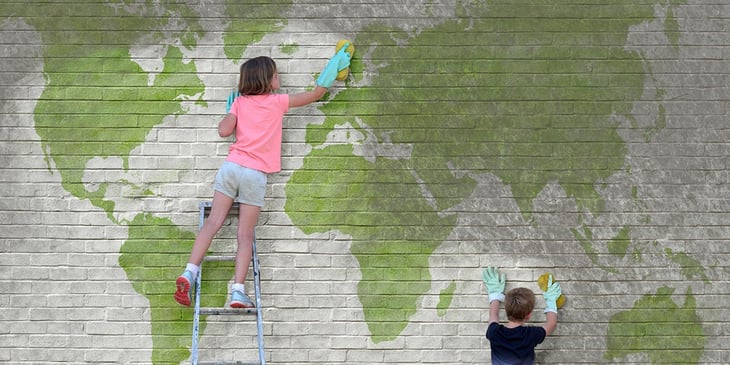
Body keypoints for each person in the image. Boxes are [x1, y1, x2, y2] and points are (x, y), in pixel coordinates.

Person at [174, 44, 352, 308]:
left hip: (232, 167)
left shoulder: (240, 102)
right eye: (277, 75)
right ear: (266, 80)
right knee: (245, 235)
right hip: (255, 175)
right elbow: (316, 94)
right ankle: (237, 291)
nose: (279, 79)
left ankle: (189, 271)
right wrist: (333, 66)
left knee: (212, 223)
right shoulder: (277, 102)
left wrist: (232, 109)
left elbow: (224, 131)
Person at [482, 267, 562, 365]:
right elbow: (551, 323)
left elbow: (493, 315)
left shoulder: (494, 332)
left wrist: (494, 293)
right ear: (528, 315)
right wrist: (551, 301)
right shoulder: (531, 334)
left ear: (506, 310)